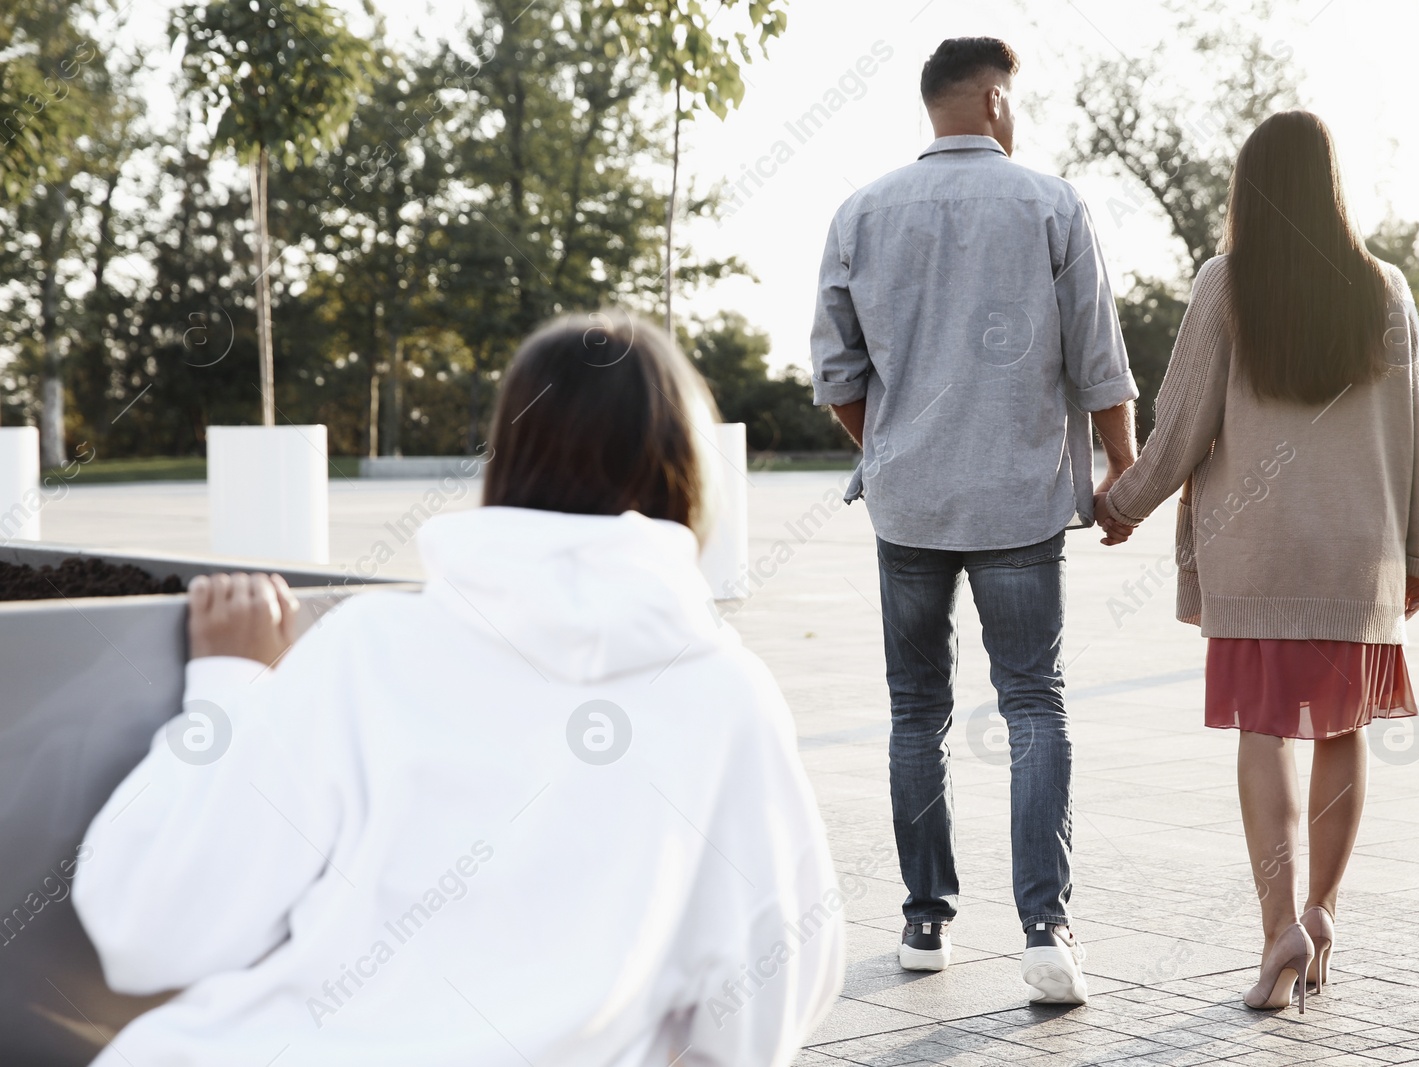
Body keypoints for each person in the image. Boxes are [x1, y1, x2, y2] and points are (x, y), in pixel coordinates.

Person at [73, 313, 845, 1065]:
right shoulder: (726, 697)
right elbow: (772, 991)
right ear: (690, 473)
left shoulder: (367, 649)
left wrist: (229, 686)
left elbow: (146, 927)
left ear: (507, 455)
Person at [810, 37, 1139, 1005]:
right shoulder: (1049, 202)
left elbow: (834, 371)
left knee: (917, 708)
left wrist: (893, 441)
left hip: (908, 504)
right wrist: (1122, 469)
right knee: (1032, 701)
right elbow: (1098, 357)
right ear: (994, 100)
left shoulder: (860, 211)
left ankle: (923, 918)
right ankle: (1045, 931)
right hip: (1017, 499)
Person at [1097, 110, 1419, 1013]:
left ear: (1250, 191)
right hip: (1358, 559)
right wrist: (1418, 550)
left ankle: (1278, 925)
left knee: (1265, 735)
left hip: (1261, 556)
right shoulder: (1388, 290)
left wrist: (1121, 505)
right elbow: (1413, 441)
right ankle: (1323, 913)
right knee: (1341, 731)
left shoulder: (1225, 284)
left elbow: (1179, 428)